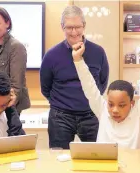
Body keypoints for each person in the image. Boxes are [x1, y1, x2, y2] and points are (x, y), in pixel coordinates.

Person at [71, 39, 140, 149]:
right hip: (104, 166)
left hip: (134, 166)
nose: (114, 110)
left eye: (122, 105)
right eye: (111, 104)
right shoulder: (103, 111)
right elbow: (89, 86)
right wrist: (78, 60)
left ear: (132, 103)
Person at [40, 5, 109, 149]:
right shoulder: (51, 55)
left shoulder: (98, 52)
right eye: (69, 27)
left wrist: (91, 101)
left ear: (84, 26)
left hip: (91, 115)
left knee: (96, 158)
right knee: (58, 160)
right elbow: (45, 88)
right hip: (60, 117)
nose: (74, 32)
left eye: (77, 27)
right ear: (62, 27)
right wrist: (62, 104)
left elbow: (102, 82)